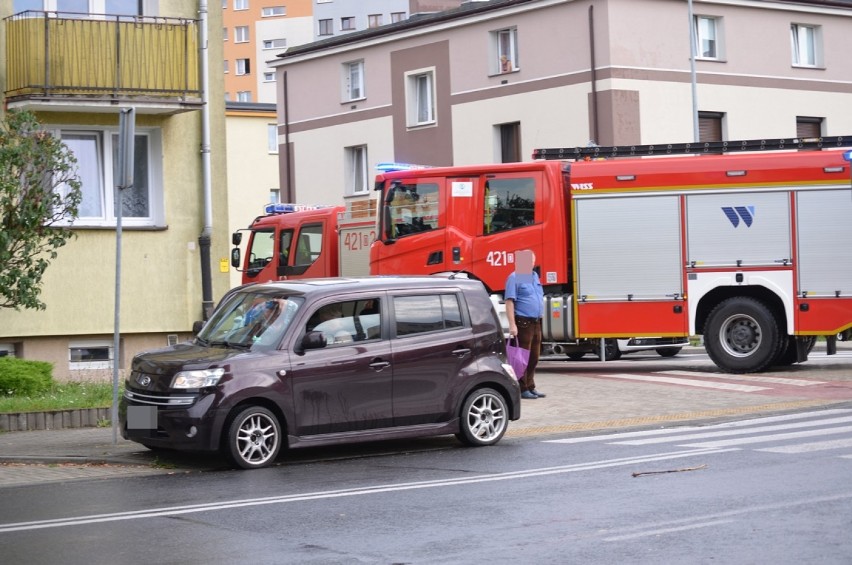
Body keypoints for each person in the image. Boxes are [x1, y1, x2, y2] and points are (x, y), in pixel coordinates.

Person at [505, 249, 545, 399]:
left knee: (534, 356)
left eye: (532, 261)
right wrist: (512, 325)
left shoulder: (534, 276)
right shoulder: (514, 278)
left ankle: (530, 385)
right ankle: (522, 388)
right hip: (523, 322)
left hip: (536, 322)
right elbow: (509, 302)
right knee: (522, 357)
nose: (530, 264)